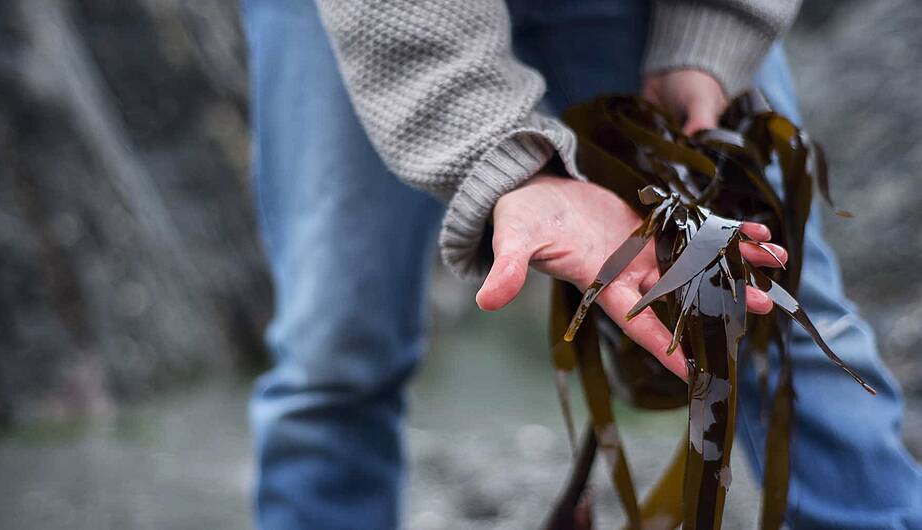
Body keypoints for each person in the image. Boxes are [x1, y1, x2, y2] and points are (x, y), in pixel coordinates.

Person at [241, 0, 922, 528]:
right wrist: (497, 153)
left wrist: (710, 33)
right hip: (367, 19)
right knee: (333, 356)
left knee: (776, 316)